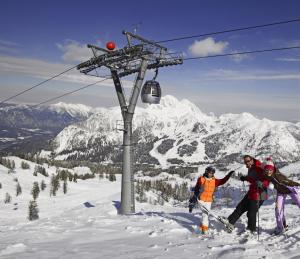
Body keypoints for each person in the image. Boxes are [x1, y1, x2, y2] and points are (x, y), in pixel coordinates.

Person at [224, 155, 270, 233]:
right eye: (245, 162)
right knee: (240, 207)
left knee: (251, 212)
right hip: (252, 191)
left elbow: (267, 178)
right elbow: (253, 179)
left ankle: (251, 229)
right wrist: (245, 178)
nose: (247, 163)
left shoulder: (259, 167)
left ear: (252, 160)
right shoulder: (251, 168)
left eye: (248, 161)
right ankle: (230, 221)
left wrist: (262, 184)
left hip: (260, 193)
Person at [189, 166, 234, 234]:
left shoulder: (214, 180)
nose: (211, 174)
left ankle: (203, 226)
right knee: (205, 214)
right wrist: (193, 200)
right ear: (206, 172)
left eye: (212, 173)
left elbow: (222, 181)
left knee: (205, 214)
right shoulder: (201, 179)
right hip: (201, 199)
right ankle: (204, 230)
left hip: (209, 200)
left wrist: (228, 175)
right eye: (210, 172)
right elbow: (196, 189)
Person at [263, 158, 300, 235]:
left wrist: (298, 185)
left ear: (273, 169)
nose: (268, 171)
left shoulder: (279, 177)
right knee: (278, 210)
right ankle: (281, 227)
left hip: (291, 191)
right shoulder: (266, 175)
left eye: (270, 170)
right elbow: (264, 179)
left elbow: (290, 182)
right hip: (280, 192)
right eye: (267, 170)